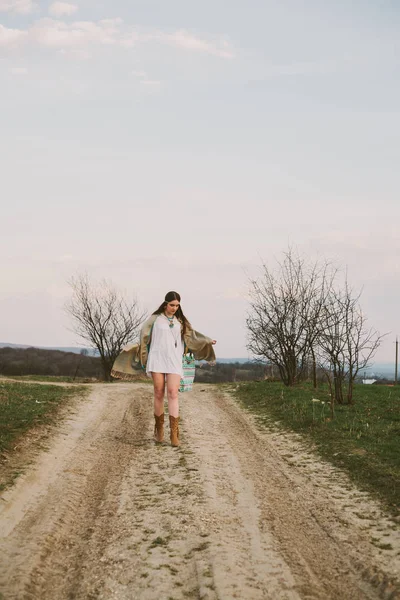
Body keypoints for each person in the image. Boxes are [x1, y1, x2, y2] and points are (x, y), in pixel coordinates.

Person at [111, 291, 216, 447]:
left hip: (174, 360)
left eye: (177, 305)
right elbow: (144, 338)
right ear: (165, 304)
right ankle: (159, 429)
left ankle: (174, 433)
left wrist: (207, 341)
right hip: (157, 358)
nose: (174, 308)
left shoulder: (180, 321)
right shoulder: (155, 320)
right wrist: (138, 353)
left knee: (173, 392)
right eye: (172, 305)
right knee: (158, 392)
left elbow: (192, 336)